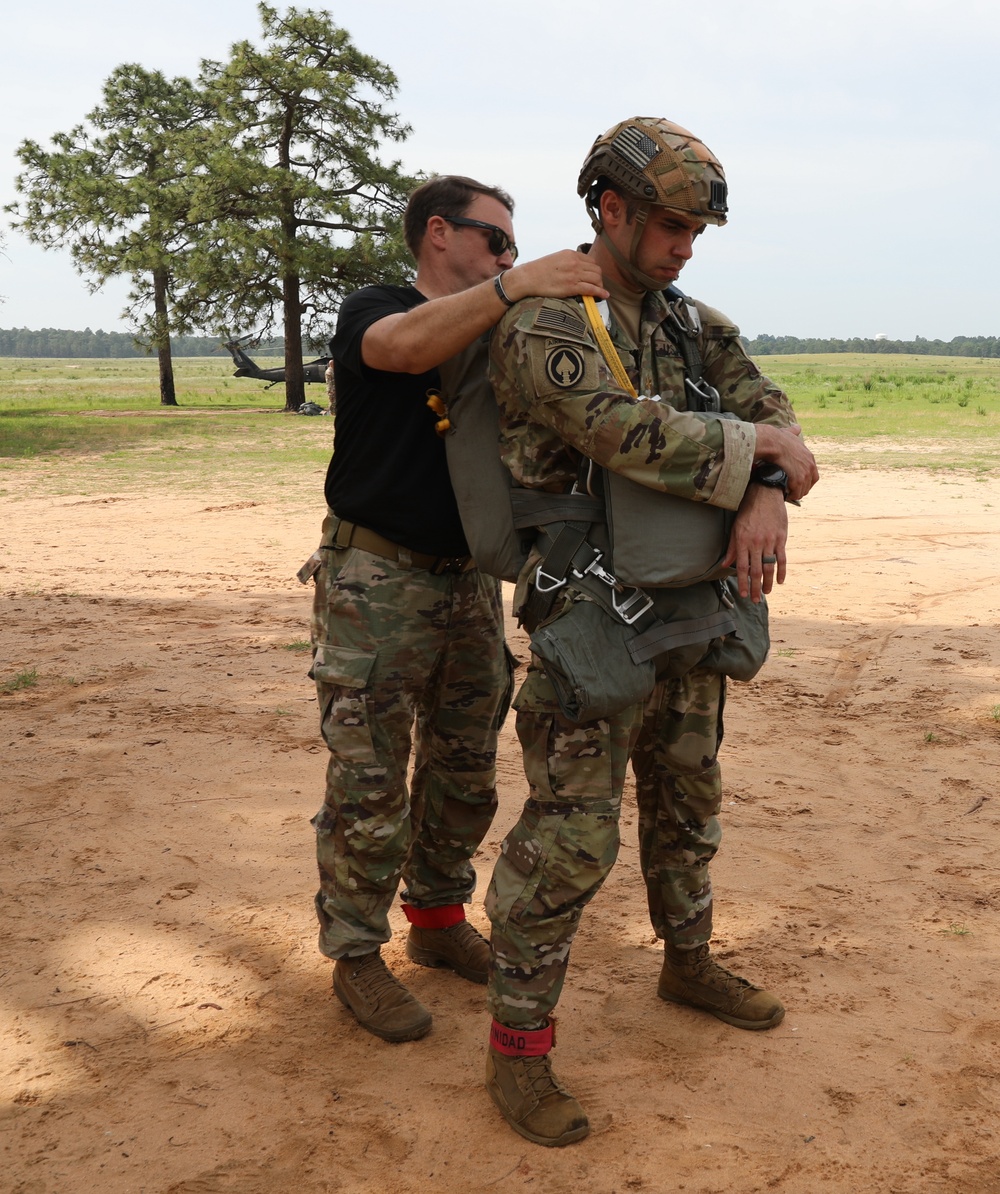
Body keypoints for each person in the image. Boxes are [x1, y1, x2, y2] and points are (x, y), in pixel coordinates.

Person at [482, 118, 820, 1145]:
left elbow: (775, 411)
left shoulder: (686, 323)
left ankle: (687, 963)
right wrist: (757, 448)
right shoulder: (548, 323)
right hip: (589, 617)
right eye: (670, 224)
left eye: (695, 230)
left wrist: (764, 487)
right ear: (610, 208)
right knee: (570, 837)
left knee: (688, 799)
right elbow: (619, 433)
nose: (683, 244)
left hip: (689, 605)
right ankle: (518, 1048)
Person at [304, 174, 607, 1045]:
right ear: (439, 232)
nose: (508, 255)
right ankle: (357, 956)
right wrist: (515, 285)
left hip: (470, 580)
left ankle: (436, 922)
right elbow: (401, 351)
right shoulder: (378, 306)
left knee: (466, 766)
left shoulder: (497, 322)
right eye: (495, 240)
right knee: (368, 780)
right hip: (376, 581)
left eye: (514, 246)